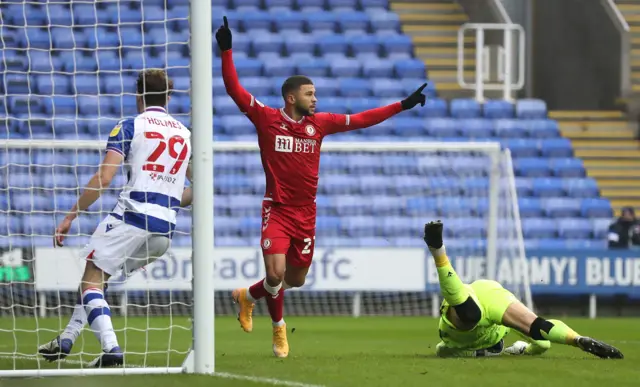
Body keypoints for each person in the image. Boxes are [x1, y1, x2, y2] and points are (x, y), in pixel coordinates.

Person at [215, 16, 427, 358]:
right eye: (309, 94)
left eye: (315, 94)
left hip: (306, 213)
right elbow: (234, 91)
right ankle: (279, 330)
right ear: (290, 97)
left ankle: (247, 295)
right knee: (277, 272)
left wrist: (401, 105)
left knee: (294, 280)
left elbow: (362, 119)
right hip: (277, 209)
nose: (315, 99)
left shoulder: (320, 124)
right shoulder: (267, 119)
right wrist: (226, 51)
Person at [38, 69, 193, 367]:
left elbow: (104, 178)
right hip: (164, 231)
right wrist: (172, 200)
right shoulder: (185, 134)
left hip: (132, 218)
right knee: (98, 280)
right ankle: (67, 339)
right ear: (169, 98)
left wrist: (70, 215)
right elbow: (196, 188)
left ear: (138, 97)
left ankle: (111, 349)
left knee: (91, 283)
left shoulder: (130, 126)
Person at [423, 220, 624, 359]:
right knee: (540, 335)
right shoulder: (455, 341)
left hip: (485, 298)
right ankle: (570, 340)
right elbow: (541, 331)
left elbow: (444, 348)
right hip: (482, 303)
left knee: (467, 316)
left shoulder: (461, 339)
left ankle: (439, 253)